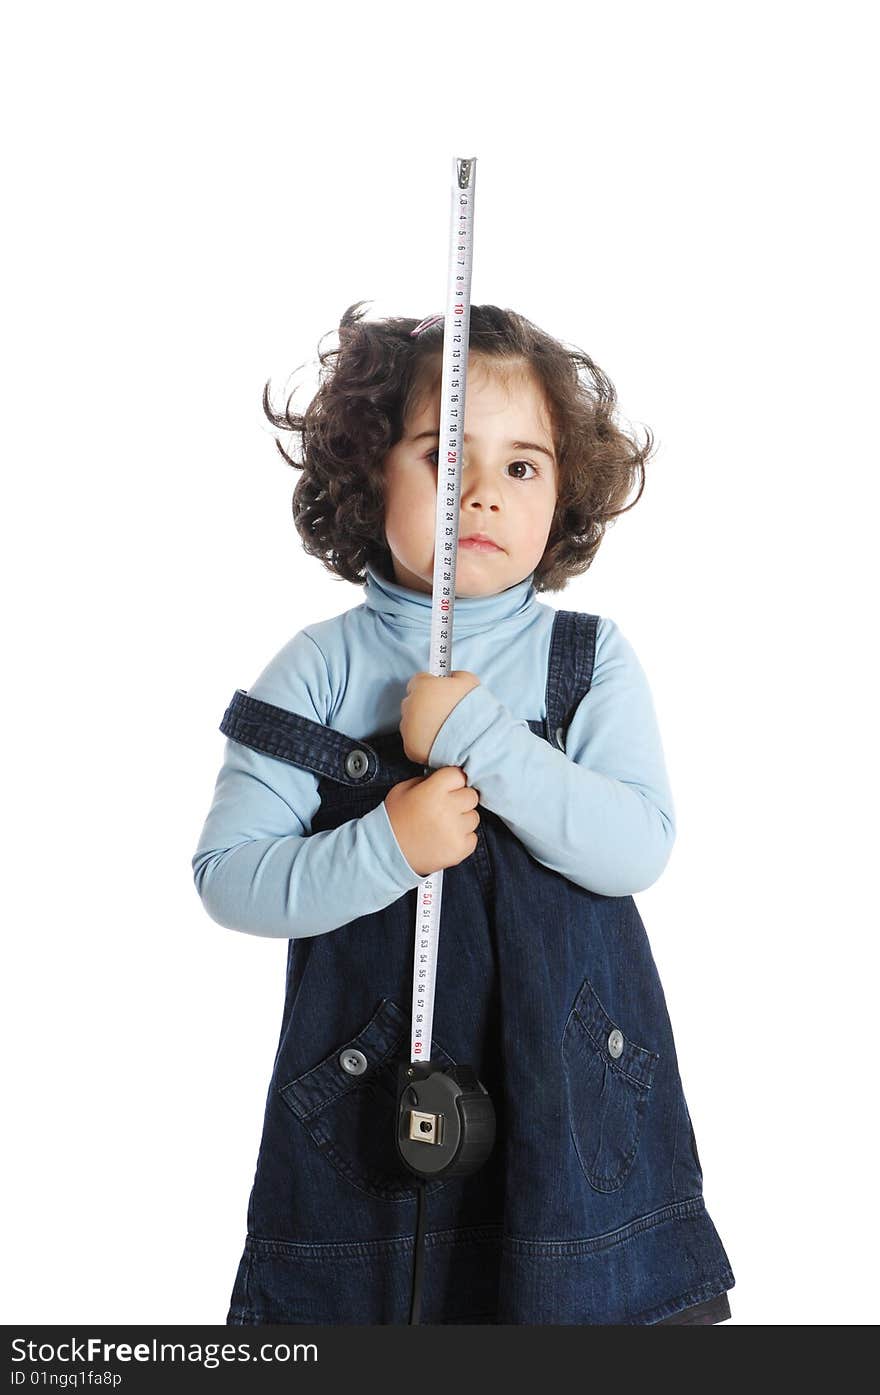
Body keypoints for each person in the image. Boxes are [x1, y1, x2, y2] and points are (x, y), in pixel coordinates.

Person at [191, 301, 735, 1325]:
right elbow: (229, 876)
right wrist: (386, 843)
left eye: (522, 466)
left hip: (576, 1114)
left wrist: (486, 738)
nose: (482, 493)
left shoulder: (590, 662)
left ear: (563, 494)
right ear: (365, 474)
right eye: (446, 454)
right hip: (371, 1115)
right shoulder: (316, 669)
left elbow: (634, 848)